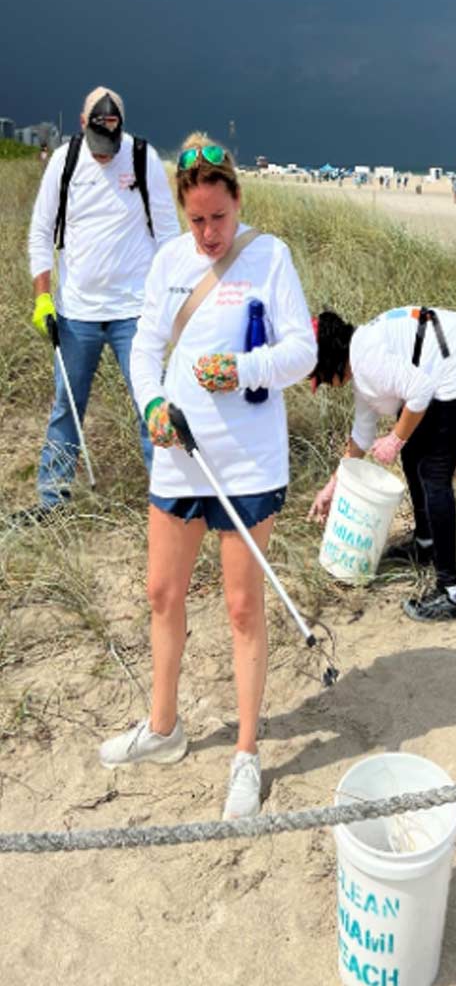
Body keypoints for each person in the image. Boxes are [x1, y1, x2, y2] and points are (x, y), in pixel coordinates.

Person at [108, 134, 316, 820]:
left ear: (237, 203)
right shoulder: (169, 260)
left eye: (218, 219)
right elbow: (144, 348)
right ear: (181, 212)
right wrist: (151, 406)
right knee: (162, 591)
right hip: (178, 454)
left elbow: (301, 351)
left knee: (240, 607)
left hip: (248, 461)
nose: (207, 235)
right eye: (196, 220)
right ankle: (164, 728)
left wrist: (242, 370)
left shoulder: (270, 257)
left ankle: (247, 755)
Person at [20, 85, 178, 521]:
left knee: (153, 404)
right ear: (82, 124)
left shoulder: (143, 158)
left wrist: (168, 302)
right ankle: (52, 501)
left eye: (111, 144)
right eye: (97, 143)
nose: (104, 154)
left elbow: (168, 235)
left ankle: (168, 499)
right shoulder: (64, 160)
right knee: (66, 405)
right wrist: (43, 299)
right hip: (76, 313)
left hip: (135, 311)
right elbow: (39, 232)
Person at [308, 306, 456, 620]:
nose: (325, 384)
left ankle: (449, 592)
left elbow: (421, 391)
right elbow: (362, 435)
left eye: (320, 377)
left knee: (433, 472)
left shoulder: (367, 362)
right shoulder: (361, 358)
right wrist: (332, 486)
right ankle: (424, 543)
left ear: (329, 360)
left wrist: (396, 439)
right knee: (414, 453)